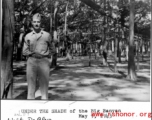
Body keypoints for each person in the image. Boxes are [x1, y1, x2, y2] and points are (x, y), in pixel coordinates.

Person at [22, 13, 53, 99]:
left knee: (44, 87)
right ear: (32, 22)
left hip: (44, 62)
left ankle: (44, 105)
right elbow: (24, 51)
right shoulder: (28, 36)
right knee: (31, 87)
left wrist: (48, 60)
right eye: (34, 22)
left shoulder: (47, 35)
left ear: (40, 23)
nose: (36, 23)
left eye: (38, 22)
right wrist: (31, 54)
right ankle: (31, 106)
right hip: (32, 62)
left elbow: (53, 49)